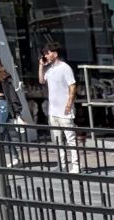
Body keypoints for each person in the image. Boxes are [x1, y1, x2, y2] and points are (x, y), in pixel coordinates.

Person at [40, 41, 79, 173]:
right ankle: (62, 164)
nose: (45, 55)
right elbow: (42, 80)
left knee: (70, 139)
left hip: (64, 110)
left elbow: (72, 86)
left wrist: (69, 104)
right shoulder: (49, 69)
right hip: (53, 110)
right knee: (57, 140)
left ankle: (75, 165)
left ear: (55, 54)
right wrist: (41, 66)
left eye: (47, 53)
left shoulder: (65, 68)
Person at [0, 50, 23, 164]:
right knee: (2, 131)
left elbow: (10, 91)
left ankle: (10, 157)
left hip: (1, 102)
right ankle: (14, 157)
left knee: (0, 130)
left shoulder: (3, 74)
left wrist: (16, 109)